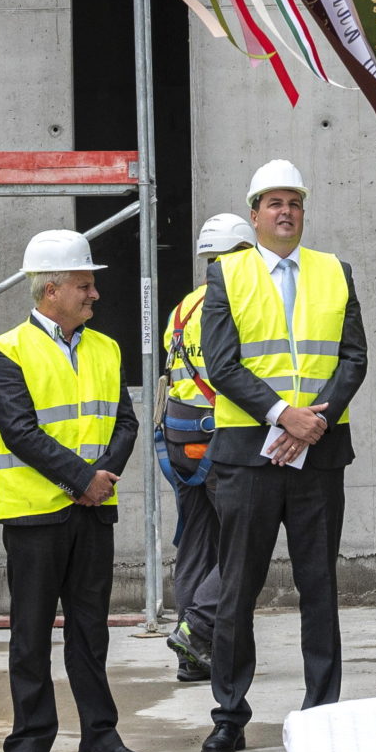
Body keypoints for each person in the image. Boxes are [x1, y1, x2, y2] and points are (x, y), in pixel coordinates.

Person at [197, 159, 369, 752]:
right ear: (254, 214)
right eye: (273, 203)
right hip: (248, 459)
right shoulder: (227, 275)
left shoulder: (334, 272)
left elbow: (353, 358)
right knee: (238, 590)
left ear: (304, 208)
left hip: (318, 454)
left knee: (319, 586)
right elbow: (221, 364)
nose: (285, 211)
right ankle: (228, 714)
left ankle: (322, 709)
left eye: (293, 201)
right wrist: (280, 415)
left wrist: (312, 419)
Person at [0, 229, 148, 752]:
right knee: (30, 633)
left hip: (93, 511)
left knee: (90, 632)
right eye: (84, 284)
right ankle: (30, 740)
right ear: (50, 290)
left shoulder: (105, 347)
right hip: (35, 514)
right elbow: (19, 431)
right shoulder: (6, 351)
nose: (94, 294)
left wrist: (102, 479)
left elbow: (126, 422)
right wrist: (84, 479)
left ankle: (99, 736)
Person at [161, 212, 255, 684]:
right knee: (243, 543)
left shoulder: (182, 309)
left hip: (179, 442)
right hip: (222, 440)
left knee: (197, 546)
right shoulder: (235, 302)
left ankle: (190, 656)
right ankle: (198, 632)